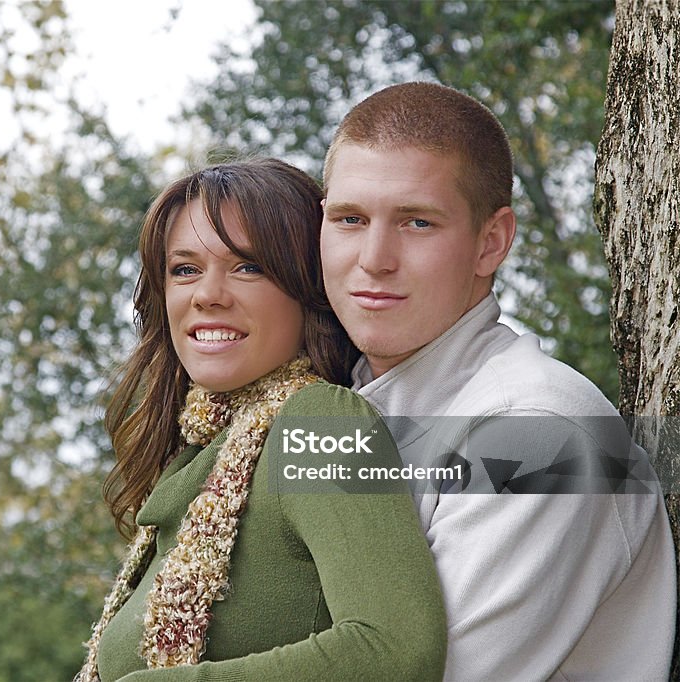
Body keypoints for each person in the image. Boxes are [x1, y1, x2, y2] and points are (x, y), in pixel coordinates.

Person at [319, 81, 676, 681]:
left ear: (491, 242)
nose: (375, 257)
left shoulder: (538, 430)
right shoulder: (343, 410)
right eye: (349, 219)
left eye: (417, 223)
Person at [76, 158, 447, 681]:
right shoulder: (201, 457)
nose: (207, 294)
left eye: (248, 267)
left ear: (306, 288)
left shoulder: (319, 425)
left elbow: (395, 651)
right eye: (185, 269)